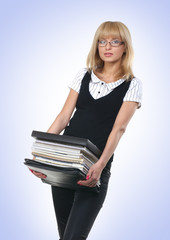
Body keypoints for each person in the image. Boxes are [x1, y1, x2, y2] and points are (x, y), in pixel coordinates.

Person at [31, 21, 142, 239]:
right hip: (64, 163)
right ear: (97, 45)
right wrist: (42, 157)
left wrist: (100, 165)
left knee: (75, 236)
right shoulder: (83, 75)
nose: (107, 46)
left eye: (114, 41)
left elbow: (119, 129)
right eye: (102, 41)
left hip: (94, 169)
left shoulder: (132, 84)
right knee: (65, 235)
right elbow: (63, 118)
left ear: (125, 47)